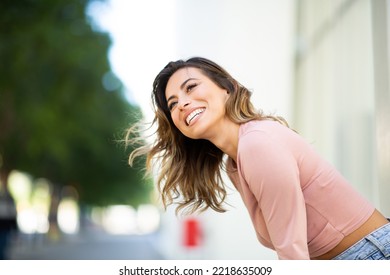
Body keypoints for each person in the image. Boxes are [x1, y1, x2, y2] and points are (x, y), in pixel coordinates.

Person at [126, 57, 390, 260]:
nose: (182, 103)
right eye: (173, 104)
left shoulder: (257, 144)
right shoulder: (235, 161)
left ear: (227, 88)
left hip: (373, 255)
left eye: (191, 87)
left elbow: (292, 253)